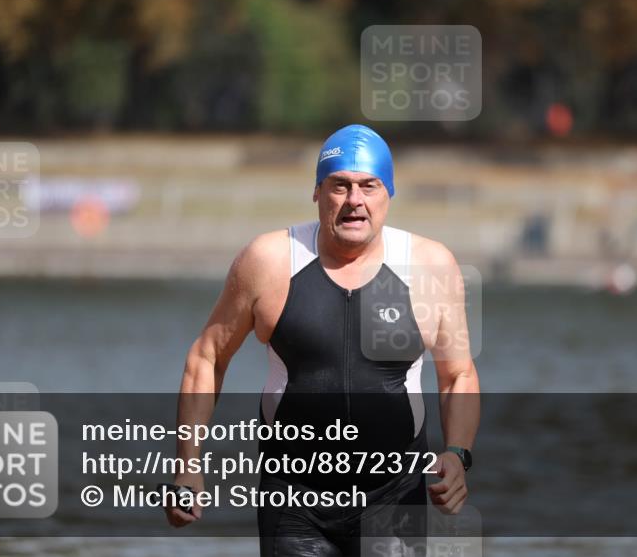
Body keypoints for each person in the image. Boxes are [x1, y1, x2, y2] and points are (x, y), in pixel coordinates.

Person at [165, 124, 481, 555]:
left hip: (394, 498)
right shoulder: (269, 260)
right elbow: (207, 357)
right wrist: (188, 463)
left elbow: (458, 374)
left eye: (369, 186)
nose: (355, 201)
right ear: (317, 192)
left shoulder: (431, 266)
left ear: (389, 192)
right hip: (295, 500)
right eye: (340, 186)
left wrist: (458, 454)